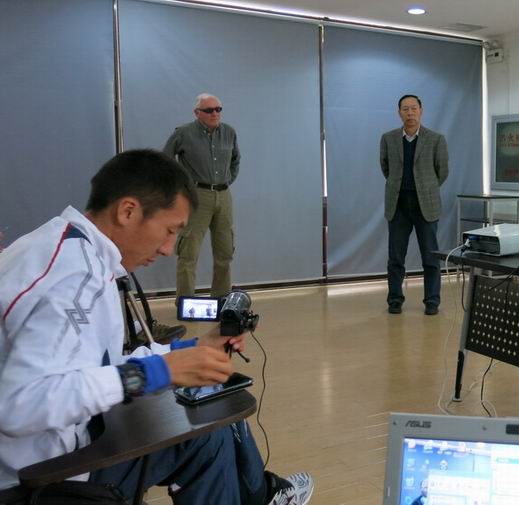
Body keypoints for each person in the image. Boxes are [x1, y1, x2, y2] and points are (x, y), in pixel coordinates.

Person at [0, 150, 312, 505]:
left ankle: (262, 496)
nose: (167, 249)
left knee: (208, 427)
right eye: (169, 231)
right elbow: (20, 404)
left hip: (53, 447)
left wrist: (188, 351)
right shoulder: (75, 278)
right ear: (127, 211)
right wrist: (154, 372)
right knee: (206, 437)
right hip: (44, 473)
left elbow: (88, 367)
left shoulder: (69, 250)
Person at [164, 93, 240, 300]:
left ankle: (221, 300)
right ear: (197, 113)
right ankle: (185, 303)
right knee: (188, 253)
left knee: (225, 252)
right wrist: (182, 187)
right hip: (197, 197)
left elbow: (235, 160)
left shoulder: (229, 133)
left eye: (218, 109)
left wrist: (227, 180)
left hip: (224, 196)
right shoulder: (183, 133)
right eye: (209, 110)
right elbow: (165, 161)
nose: (215, 113)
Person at [380, 94, 449, 315]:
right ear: (399, 112)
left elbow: (442, 171)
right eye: (405, 109)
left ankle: (432, 301)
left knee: (430, 257)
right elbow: (386, 168)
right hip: (398, 204)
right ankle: (394, 300)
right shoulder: (388, 139)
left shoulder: (436, 139)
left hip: (425, 205)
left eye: (413, 108)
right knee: (395, 258)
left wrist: (425, 188)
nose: (410, 113)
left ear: (421, 110)